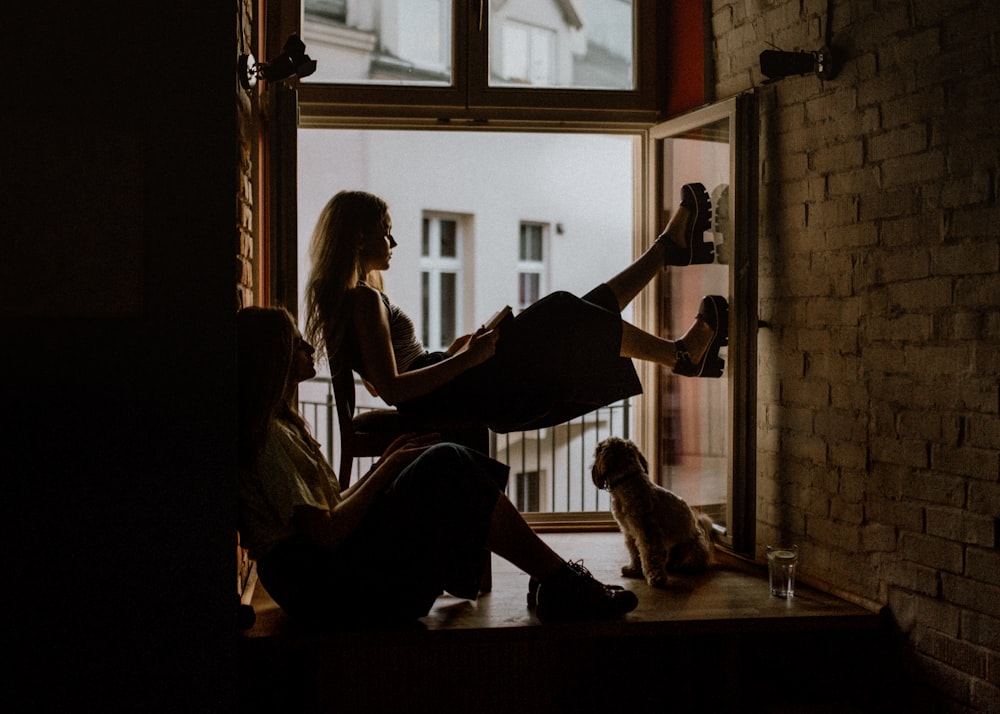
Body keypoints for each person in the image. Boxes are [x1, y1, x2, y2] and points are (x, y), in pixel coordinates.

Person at [237, 306, 639, 626]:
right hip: (328, 591)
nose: (309, 347)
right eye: (296, 342)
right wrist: (390, 468)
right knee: (446, 462)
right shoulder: (269, 439)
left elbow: (325, 512)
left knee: (445, 459)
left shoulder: (280, 427)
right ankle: (559, 582)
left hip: (327, 577)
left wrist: (387, 464)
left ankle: (553, 578)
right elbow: (326, 533)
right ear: (276, 358)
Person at [303, 185, 729, 433]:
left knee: (576, 313)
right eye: (385, 233)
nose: (392, 243)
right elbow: (393, 389)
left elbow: (380, 383)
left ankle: (667, 256)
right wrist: (467, 359)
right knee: (565, 310)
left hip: (451, 387)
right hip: (452, 398)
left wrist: (453, 354)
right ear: (359, 239)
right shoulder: (362, 300)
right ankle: (680, 354)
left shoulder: (356, 298)